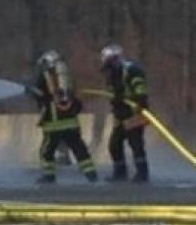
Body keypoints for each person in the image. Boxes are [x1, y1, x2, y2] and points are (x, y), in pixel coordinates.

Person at [26, 50, 98, 184]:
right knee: (79, 149)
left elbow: (39, 94)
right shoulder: (67, 78)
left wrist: (29, 89)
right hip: (71, 124)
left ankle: (49, 176)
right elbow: (74, 98)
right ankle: (91, 174)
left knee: (47, 152)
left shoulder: (44, 76)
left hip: (53, 124)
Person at [100, 44, 150, 183]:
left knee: (136, 143)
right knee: (114, 144)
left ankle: (142, 174)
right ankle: (120, 173)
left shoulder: (131, 70)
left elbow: (139, 86)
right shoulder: (112, 73)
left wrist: (140, 101)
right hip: (121, 113)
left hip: (134, 112)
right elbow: (115, 92)